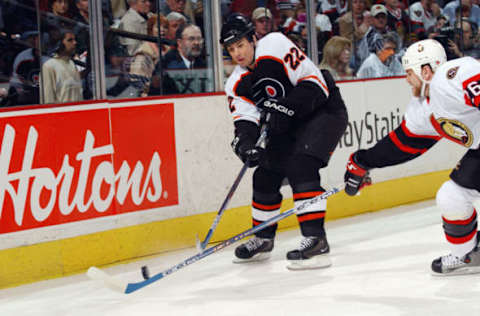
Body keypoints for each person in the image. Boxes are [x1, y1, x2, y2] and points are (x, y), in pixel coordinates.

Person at [220, 14, 348, 270]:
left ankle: (315, 239)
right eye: (232, 49)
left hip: (323, 110)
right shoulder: (235, 83)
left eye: (241, 45)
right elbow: (245, 121)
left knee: (302, 166)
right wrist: (247, 145)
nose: (238, 53)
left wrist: (285, 107)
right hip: (288, 123)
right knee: (265, 175)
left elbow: (316, 85)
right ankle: (263, 239)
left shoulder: (276, 45)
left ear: (253, 39)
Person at [343, 39, 480, 275]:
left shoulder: (452, 75)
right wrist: (363, 162)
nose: (406, 79)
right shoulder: (423, 109)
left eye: (409, 73)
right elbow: (402, 145)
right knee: (451, 197)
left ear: (426, 71)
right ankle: (468, 253)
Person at [41, 30, 83, 104]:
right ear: (59, 44)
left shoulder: (72, 64)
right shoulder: (49, 66)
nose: (75, 43)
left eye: (75, 40)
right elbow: (48, 100)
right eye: (70, 40)